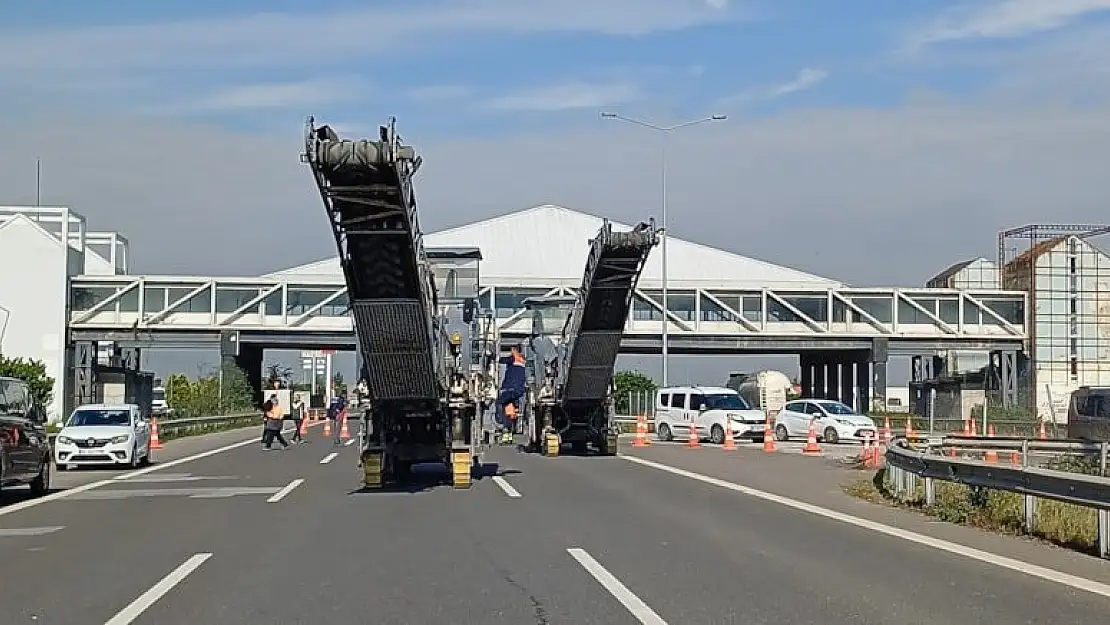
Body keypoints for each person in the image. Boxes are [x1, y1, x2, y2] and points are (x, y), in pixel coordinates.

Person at [496, 344, 527, 444]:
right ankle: (509, 435)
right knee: (510, 410)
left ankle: (503, 427)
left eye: (511, 350)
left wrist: (491, 356)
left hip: (509, 389)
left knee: (500, 403)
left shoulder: (513, 358)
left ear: (514, 350)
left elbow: (501, 360)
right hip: (519, 391)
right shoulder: (523, 360)